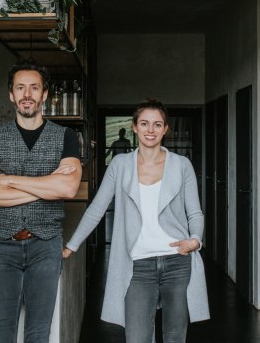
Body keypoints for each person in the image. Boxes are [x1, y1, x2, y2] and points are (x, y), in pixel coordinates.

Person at [63, 98, 209, 343]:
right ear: (134, 127)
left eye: (157, 124)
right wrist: (71, 246)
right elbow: (97, 208)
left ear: (165, 129)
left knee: (175, 337)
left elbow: (195, 213)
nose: (150, 130)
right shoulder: (120, 165)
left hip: (177, 261)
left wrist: (195, 240)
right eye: (144, 123)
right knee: (137, 338)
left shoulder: (181, 165)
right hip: (137, 265)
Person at [0, 59, 82, 343]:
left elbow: (68, 188)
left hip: (45, 245)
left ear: (45, 94)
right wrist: (47, 185)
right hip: (0, 244)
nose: (27, 94)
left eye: (34, 87)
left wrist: (7, 179)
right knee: (1, 336)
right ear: (11, 95)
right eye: (20, 88)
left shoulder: (66, 137)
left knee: (38, 335)